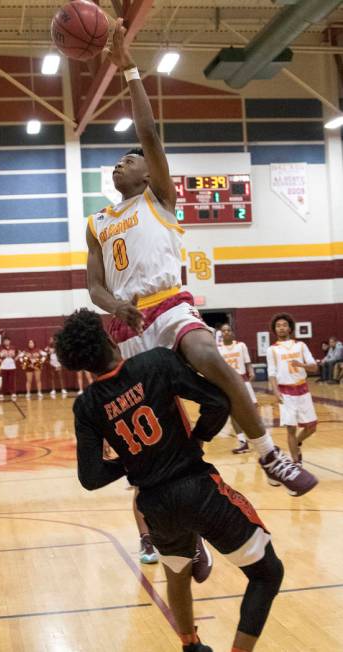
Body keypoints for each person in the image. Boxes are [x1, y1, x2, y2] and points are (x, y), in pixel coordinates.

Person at [85, 19, 316, 495]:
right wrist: (114, 307)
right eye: (117, 161)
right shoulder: (98, 223)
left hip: (169, 304)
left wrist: (130, 73)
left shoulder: (159, 198)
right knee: (158, 428)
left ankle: (270, 454)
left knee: (209, 354)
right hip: (128, 323)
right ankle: (173, 528)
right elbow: (94, 286)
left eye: (129, 160)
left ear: (149, 174)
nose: (120, 163)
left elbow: (148, 133)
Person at [55, 309, 284, 652]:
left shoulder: (86, 406)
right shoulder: (156, 363)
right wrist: (196, 438)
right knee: (267, 573)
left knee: (177, 570)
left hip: (154, 506)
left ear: (80, 365)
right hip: (196, 487)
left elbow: (90, 478)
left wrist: (135, 460)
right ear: (108, 338)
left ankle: (190, 645)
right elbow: (217, 401)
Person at [266, 314, 319, 467]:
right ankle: (296, 462)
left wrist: (301, 365)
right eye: (278, 325)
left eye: (284, 325)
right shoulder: (272, 350)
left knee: (311, 427)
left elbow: (314, 366)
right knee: (291, 429)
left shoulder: (300, 346)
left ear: (290, 328)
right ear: (274, 330)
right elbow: (272, 373)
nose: (281, 327)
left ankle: (297, 442)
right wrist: (276, 392)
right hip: (285, 392)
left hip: (303, 390)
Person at [217, 325, 257, 454]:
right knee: (234, 413)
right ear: (221, 334)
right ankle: (242, 442)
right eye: (224, 331)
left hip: (243, 381)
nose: (226, 332)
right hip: (228, 383)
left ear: (232, 332)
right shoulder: (218, 349)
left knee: (253, 411)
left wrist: (251, 371)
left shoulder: (241, 346)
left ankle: (259, 439)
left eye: (228, 330)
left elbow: (248, 363)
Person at [0, 335, 17, 401]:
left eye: (8, 340)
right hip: (4, 366)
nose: (6, 342)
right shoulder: (0, 348)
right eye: (5, 341)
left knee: (11, 381)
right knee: (4, 381)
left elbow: (19, 353)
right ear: (3, 342)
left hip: (12, 366)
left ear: (10, 341)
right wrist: (0, 360)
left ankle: (13, 393)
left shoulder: (13, 347)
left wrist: (15, 359)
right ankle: (2, 394)